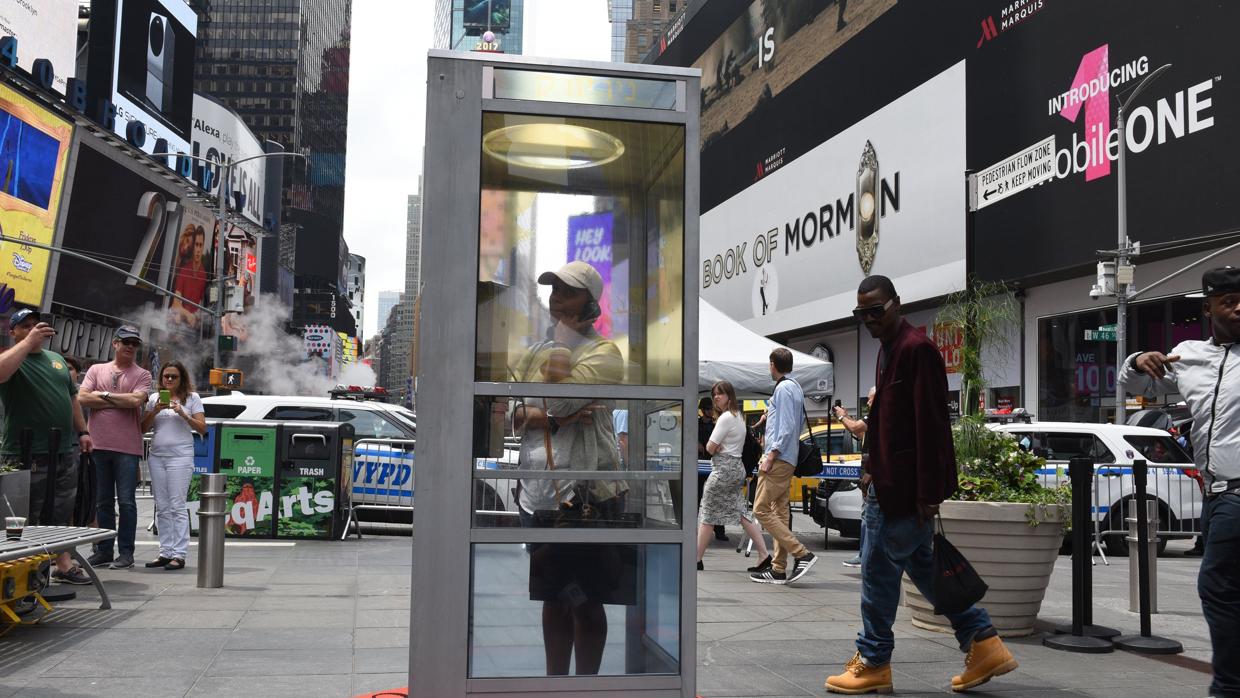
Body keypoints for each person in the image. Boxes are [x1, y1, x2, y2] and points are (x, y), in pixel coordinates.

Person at [826, 276, 1015, 694]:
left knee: (877, 573)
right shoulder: (889, 349)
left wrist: (929, 493)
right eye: (862, 313)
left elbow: (932, 426)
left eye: (876, 310)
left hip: (903, 493)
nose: (870, 319)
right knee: (924, 569)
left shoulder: (917, 349)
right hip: (891, 485)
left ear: (896, 303)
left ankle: (874, 660)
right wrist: (870, 464)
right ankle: (984, 642)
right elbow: (886, 422)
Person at [1119, 266, 1240, 697]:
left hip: (1236, 495)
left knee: (1217, 585)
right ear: (1208, 308)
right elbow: (1131, 383)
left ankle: (1228, 686)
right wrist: (1138, 360)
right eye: (1230, 301)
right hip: (1216, 494)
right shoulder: (1189, 355)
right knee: (1223, 589)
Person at [508, 260, 629, 676]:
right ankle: (554, 683)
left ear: (589, 302)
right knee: (552, 595)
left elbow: (555, 400)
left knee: (586, 598)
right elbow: (512, 413)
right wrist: (552, 417)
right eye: (552, 287)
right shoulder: (534, 352)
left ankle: (586, 687)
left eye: (567, 289)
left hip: (586, 494)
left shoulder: (604, 352)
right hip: (538, 493)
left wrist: (562, 344)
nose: (555, 295)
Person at [0, 308, 92, 584]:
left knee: (61, 510)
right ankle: (24, 570)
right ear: (12, 331)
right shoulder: (12, 358)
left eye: (36, 325)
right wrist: (28, 343)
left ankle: (63, 564)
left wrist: (84, 431)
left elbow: (72, 399)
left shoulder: (56, 361)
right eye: (24, 326)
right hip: (25, 451)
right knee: (24, 515)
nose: (33, 329)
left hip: (63, 450)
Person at [79, 326, 152, 570]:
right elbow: (82, 398)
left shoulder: (143, 374)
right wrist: (119, 399)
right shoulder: (96, 369)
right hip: (98, 446)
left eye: (135, 343)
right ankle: (104, 551)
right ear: (115, 344)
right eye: (126, 342)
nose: (131, 346)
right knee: (102, 502)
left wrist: (103, 395)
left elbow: (135, 401)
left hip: (127, 449)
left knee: (128, 502)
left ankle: (126, 553)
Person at [749, 347, 817, 585]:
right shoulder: (793, 387)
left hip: (779, 458)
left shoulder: (785, 388)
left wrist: (771, 454)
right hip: (786, 457)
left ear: (772, 365)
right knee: (780, 510)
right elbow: (792, 423)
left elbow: (788, 426)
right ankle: (778, 568)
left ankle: (802, 553)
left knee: (760, 509)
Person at [697, 380, 769, 571]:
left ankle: (696, 559)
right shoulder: (738, 416)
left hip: (723, 469)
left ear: (729, 395)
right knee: (741, 513)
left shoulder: (725, 418)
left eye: (720, 393)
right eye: (714, 394)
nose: (716, 397)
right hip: (736, 468)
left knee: (707, 513)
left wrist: (715, 447)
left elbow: (710, 448)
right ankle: (764, 554)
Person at [140, 361, 205, 570]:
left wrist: (183, 414)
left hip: (181, 457)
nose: (169, 380)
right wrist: (155, 411)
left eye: (173, 377)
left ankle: (179, 554)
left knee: (177, 505)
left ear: (181, 379)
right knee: (162, 506)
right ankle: (165, 552)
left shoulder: (192, 398)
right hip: (157, 456)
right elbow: (142, 428)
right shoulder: (154, 399)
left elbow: (203, 428)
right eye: (166, 376)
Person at [835, 386, 876, 569]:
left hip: (872, 475)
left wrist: (842, 416)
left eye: (870, 399)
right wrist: (847, 418)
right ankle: (865, 554)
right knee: (867, 516)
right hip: (868, 474)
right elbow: (859, 432)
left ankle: (865, 556)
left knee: (868, 517)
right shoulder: (875, 418)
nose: (867, 402)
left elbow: (856, 427)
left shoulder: (876, 415)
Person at [697, 398, 728, 542]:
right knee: (695, 498)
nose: (711, 411)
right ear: (703, 410)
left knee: (717, 498)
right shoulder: (696, 425)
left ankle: (719, 530)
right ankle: (691, 528)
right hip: (698, 465)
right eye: (708, 409)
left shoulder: (717, 425)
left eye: (712, 409)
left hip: (714, 464)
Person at [169, 224, 208, 328]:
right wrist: (188, 315)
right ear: (193, 246)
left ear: (203, 246)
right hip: (180, 324)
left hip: (193, 326)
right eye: (196, 245)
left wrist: (197, 317)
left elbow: (201, 304)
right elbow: (175, 304)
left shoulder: (203, 274)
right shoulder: (184, 271)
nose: (198, 249)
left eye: (201, 245)